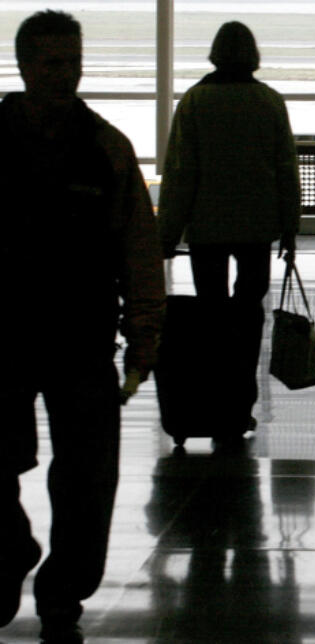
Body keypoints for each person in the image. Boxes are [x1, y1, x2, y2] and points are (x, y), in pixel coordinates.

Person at [0, 10, 165, 643]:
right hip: (2, 342)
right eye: (52, 63)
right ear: (23, 66)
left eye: (73, 61)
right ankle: (7, 557)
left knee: (88, 478)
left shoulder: (105, 149)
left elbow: (138, 247)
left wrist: (144, 333)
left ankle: (63, 593)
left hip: (81, 340)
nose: (66, 74)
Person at [158, 21, 302, 436]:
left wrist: (167, 233)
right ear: (253, 55)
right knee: (247, 315)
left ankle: (212, 399)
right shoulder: (269, 101)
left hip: (207, 227)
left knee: (211, 313)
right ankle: (240, 402)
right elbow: (285, 169)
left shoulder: (196, 101)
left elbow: (181, 172)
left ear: (215, 53)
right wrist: (290, 227)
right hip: (256, 226)